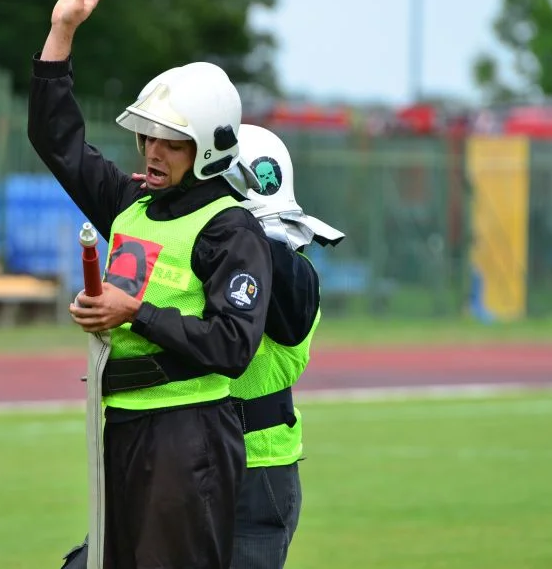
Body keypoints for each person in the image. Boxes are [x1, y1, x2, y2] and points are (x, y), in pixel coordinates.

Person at [29, 0, 273, 568]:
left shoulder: (231, 228)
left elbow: (231, 346)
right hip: (123, 425)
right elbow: (57, 140)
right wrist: (63, 33)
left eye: (173, 142)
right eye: (149, 137)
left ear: (209, 146)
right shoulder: (131, 205)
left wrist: (133, 312)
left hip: (189, 437)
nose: (153, 153)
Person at [58, 125, 345, 569]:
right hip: (183, 458)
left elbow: (248, 313)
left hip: (255, 466)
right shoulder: (203, 240)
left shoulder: (287, 272)